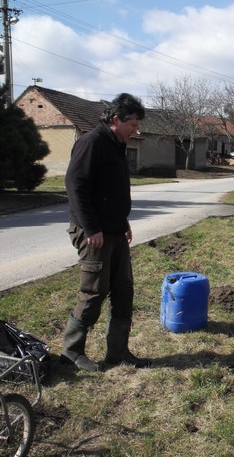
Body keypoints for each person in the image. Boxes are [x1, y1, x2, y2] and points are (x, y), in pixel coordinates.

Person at [61, 93, 151, 372]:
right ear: (116, 120)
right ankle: (71, 353)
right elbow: (75, 186)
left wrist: (122, 224)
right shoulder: (92, 142)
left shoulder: (116, 145)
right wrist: (92, 228)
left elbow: (112, 192)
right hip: (93, 233)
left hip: (114, 230)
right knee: (93, 292)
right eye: (133, 124)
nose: (136, 130)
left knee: (123, 289)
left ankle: (118, 351)